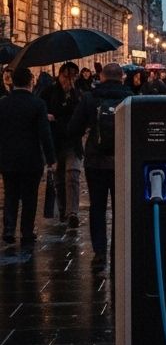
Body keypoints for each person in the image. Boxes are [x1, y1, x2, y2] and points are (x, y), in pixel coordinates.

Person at [68, 61, 132, 266]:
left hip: (95, 162)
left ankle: (100, 252)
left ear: (101, 77)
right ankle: (118, 251)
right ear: (122, 77)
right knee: (121, 208)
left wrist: (81, 150)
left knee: (97, 207)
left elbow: (73, 129)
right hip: (122, 162)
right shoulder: (130, 98)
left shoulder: (90, 98)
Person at [0, 64, 57, 245]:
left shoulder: (3, 103)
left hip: (7, 158)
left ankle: (8, 229)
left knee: (10, 194)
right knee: (29, 197)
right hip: (31, 159)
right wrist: (51, 159)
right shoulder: (38, 104)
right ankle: (26, 231)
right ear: (30, 82)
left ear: (13, 83)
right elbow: (44, 134)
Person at [43, 62, 83, 227]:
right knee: (59, 178)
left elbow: (81, 112)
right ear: (60, 75)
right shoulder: (49, 92)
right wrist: (47, 116)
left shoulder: (77, 93)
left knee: (72, 174)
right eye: (67, 76)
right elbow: (41, 109)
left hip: (73, 141)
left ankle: (72, 212)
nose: (69, 80)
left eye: (73, 76)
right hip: (55, 140)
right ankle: (62, 209)